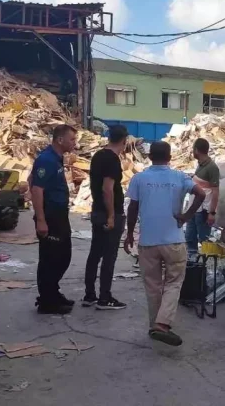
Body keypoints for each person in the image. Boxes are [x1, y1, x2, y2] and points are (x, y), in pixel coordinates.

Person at [124, 141, 205, 346]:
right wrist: (186, 216)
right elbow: (201, 194)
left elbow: (132, 208)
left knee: (152, 285)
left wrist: (129, 234)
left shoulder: (139, 178)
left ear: (150, 157)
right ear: (169, 157)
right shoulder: (179, 177)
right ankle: (162, 323)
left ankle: (155, 325)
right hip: (174, 241)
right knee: (174, 282)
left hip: (148, 242)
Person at [30, 124, 78, 315]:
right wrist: (41, 220)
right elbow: (36, 190)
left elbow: (32, 179)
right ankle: (47, 301)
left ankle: (52, 292)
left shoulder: (56, 158)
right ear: (60, 140)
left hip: (59, 215)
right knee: (51, 258)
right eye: (72, 139)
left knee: (63, 256)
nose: (75, 143)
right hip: (50, 216)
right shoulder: (46, 160)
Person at [83, 125, 129, 310]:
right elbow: (107, 189)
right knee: (109, 256)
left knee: (95, 253)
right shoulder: (112, 160)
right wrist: (111, 216)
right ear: (124, 140)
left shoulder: (98, 156)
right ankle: (105, 298)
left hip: (97, 211)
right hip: (109, 213)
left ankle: (89, 295)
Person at [185, 138, 220, 257]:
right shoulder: (200, 165)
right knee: (190, 236)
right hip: (193, 208)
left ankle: (205, 266)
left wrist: (212, 213)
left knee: (204, 240)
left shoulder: (212, 167)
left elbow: (215, 191)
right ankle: (192, 262)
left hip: (203, 210)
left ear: (196, 150)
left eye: (193, 149)